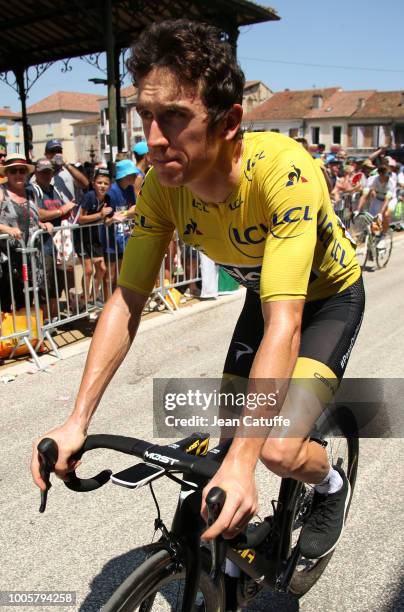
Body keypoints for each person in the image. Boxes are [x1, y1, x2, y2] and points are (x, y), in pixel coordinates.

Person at [32, 20, 364, 566]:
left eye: (175, 117)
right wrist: (76, 422)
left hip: (326, 301)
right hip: (266, 300)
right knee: (223, 447)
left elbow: (287, 323)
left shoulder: (283, 173)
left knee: (275, 449)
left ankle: (330, 483)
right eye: (146, 115)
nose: (154, 138)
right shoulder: (163, 185)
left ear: (230, 121)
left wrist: (246, 463)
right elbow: (126, 300)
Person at [0, 155, 51, 312]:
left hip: (29, 258)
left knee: (27, 301)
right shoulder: (1, 193)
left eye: (22, 170)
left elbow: (32, 217)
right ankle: (9, 336)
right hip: (7, 259)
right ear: (7, 174)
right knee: (7, 303)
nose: (18, 174)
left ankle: (26, 335)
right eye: (13, 171)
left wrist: (42, 224)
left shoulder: (31, 193)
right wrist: (7, 229)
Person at [32, 158, 76, 318]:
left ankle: (55, 318)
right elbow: (37, 213)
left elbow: (65, 209)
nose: (46, 175)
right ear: (36, 172)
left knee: (57, 283)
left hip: (58, 244)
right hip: (42, 245)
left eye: (49, 171)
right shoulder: (33, 189)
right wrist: (60, 211)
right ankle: (47, 320)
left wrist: (66, 211)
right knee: (46, 284)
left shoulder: (54, 189)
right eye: (43, 172)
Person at [100, 159, 139, 293]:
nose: (136, 177)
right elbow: (105, 219)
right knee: (109, 276)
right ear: (125, 176)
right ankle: (107, 304)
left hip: (125, 237)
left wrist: (127, 213)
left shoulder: (130, 189)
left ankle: (118, 300)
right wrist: (114, 218)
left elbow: (134, 208)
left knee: (121, 274)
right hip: (110, 240)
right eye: (133, 174)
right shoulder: (111, 192)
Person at [76, 168, 113, 305]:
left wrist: (114, 219)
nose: (102, 186)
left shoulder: (108, 199)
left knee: (102, 268)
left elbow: (106, 221)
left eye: (105, 183)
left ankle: (93, 296)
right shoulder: (89, 196)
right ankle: (84, 299)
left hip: (95, 236)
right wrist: (100, 215)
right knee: (88, 270)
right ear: (93, 183)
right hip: (81, 237)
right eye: (99, 183)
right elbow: (80, 218)